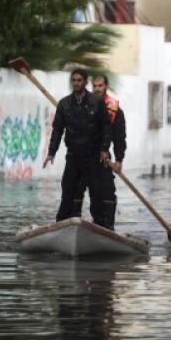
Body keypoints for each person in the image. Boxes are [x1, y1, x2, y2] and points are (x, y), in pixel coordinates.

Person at [44, 69, 112, 227]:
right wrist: (51, 152)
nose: (76, 83)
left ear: (85, 82)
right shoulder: (64, 104)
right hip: (73, 156)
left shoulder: (96, 102)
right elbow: (57, 130)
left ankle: (101, 225)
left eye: (79, 80)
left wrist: (104, 150)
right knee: (67, 190)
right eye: (74, 80)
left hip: (93, 156)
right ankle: (61, 224)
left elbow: (106, 127)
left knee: (96, 193)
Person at [72, 75, 126, 230]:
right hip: (81, 157)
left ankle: (107, 227)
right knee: (76, 190)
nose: (97, 89)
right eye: (94, 86)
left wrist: (119, 159)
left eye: (100, 86)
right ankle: (73, 225)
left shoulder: (114, 110)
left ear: (106, 86)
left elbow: (119, 137)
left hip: (102, 159)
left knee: (107, 191)